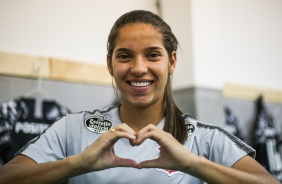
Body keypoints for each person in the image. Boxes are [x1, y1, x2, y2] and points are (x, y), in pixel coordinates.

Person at [0, 10, 279, 184]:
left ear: (171, 62)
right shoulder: (72, 129)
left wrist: (194, 165)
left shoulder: (206, 138)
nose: (138, 68)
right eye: (124, 56)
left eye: (152, 55)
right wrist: (77, 164)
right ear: (110, 63)